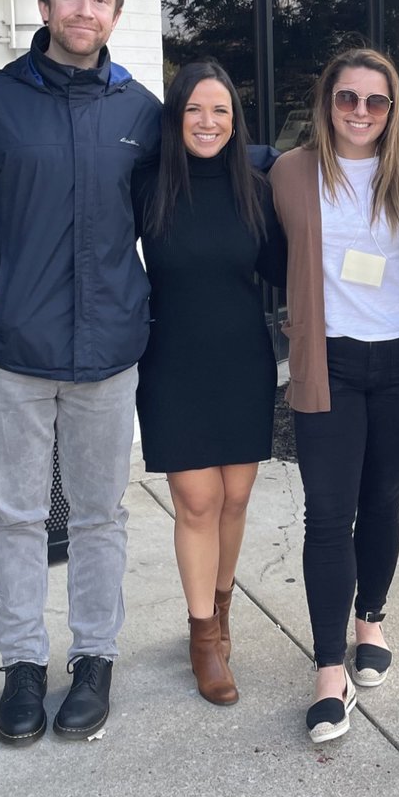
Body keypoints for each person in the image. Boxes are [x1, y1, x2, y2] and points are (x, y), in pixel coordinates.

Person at [0, 0, 161, 745]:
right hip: (9, 348)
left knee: (98, 514)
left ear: (116, 15)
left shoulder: (141, 112)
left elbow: (199, 194)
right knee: (15, 515)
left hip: (107, 350)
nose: (85, 10)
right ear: (46, 7)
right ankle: (22, 663)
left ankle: (94, 658)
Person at [270, 47, 399, 744]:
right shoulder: (291, 173)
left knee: (383, 503)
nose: (360, 113)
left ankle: (372, 619)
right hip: (327, 366)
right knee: (328, 516)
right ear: (326, 102)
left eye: (375, 101)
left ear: (393, 109)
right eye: (347, 99)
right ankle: (329, 670)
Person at [133, 60, 286, 706]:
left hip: (242, 359)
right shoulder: (145, 184)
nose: (208, 121)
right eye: (195, 109)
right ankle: (202, 637)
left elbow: (288, 262)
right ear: (175, 115)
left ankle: (221, 612)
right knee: (196, 500)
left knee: (233, 498)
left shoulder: (254, 186)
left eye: (220, 110)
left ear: (235, 120)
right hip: (172, 360)